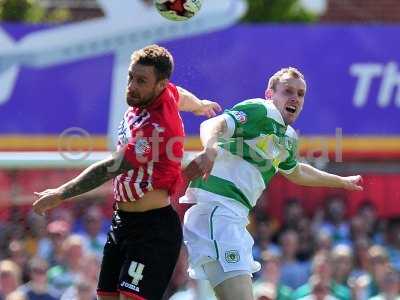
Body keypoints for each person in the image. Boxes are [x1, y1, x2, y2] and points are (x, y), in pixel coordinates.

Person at [32, 44, 221, 300]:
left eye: (141, 81)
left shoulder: (156, 127)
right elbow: (180, 95)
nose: (131, 85)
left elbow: (111, 168)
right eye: (131, 77)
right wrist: (198, 105)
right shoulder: (159, 95)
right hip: (123, 223)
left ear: (160, 85)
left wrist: (62, 193)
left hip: (153, 231)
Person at [181, 67, 363, 300]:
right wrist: (210, 149)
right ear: (270, 94)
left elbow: (295, 171)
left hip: (234, 219)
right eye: (287, 91)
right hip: (218, 212)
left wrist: (341, 182)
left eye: (300, 93)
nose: (295, 98)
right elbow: (212, 124)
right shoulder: (262, 110)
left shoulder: (288, 138)